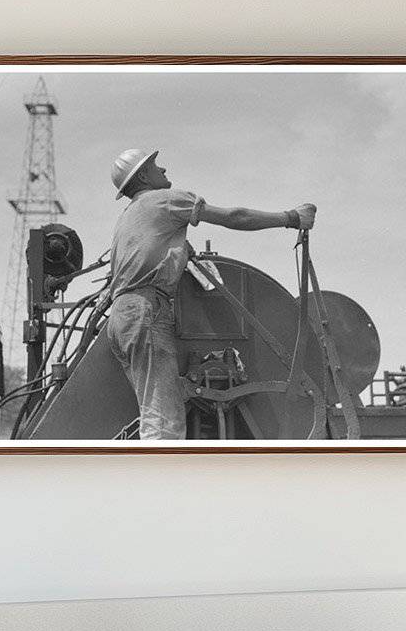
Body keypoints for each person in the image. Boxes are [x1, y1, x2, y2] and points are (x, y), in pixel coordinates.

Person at [105, 148, 316, 440]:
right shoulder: (164, 200)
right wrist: (291, 217)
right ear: (142, 176)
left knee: (155, 414)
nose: (164, 170)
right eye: (156, 166)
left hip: (121, 320)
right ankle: (160, 483)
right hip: (147, 313)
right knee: (163, 425)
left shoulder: (128, 217)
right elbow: (235, 216)